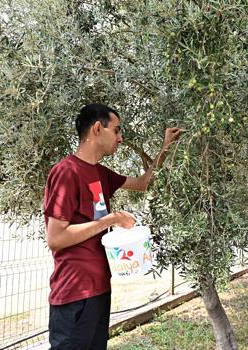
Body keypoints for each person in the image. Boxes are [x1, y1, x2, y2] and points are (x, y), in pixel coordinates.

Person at [43, 103, 182, 349]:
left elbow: (143, 183)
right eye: (116, 131)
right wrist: (111, 219)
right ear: (97, 128)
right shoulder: (66, 172)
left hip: (98, 291)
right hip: (74, 296)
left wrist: (165, 147)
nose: (120, 138)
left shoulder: (101, 173)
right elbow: (56, 238)